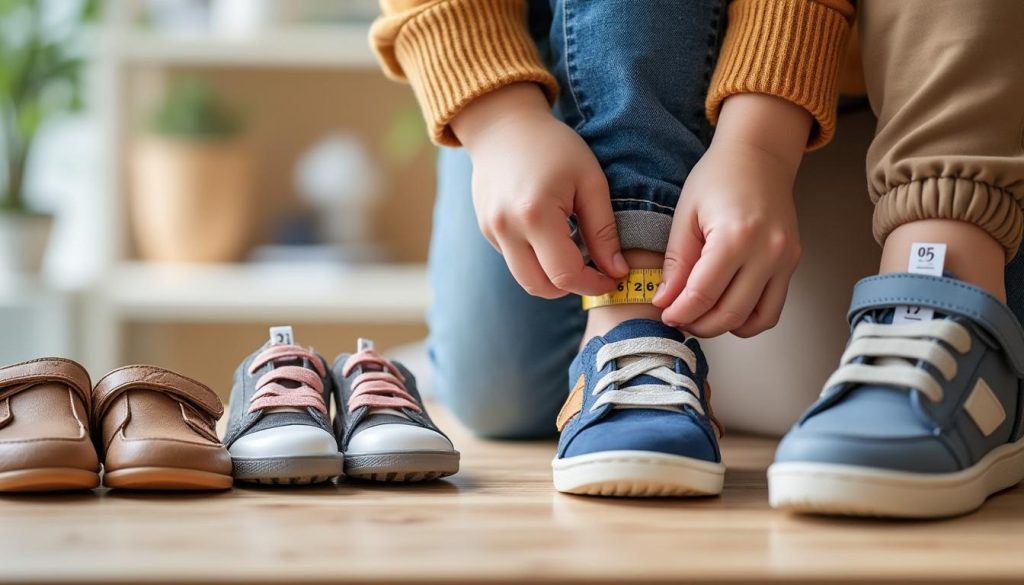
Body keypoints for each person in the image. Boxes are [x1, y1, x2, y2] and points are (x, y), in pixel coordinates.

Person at [371, 0, 1024, 517]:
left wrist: (761, 135)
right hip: (555, 72)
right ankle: (630, 323)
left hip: (878, 92)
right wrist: (497, 116)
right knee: (502, 397)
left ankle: (938, 283)